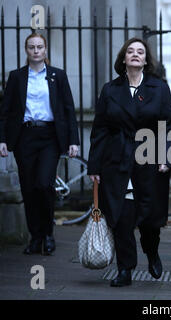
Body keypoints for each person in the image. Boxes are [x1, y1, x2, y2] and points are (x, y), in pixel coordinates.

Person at [87, 38, 171, 287]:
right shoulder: (110, 89)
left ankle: (152, 251)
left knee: (149, 219)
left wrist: (167, 155)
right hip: (117, 159)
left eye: (140, 52)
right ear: (123, 58)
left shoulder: (159, 88)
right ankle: (125, 269)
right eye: (130, 51)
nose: (135, 55)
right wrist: (94, 165)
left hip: (149, 158)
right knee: (121, 218)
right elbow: (100, 129)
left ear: (146, 60)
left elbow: (169, 123)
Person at [0, 33, 80, 255]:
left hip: (49, 137)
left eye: (40, 47)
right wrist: (3, 139)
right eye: (31, 47)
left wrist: (74, 140)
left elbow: (68, 109)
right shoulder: (16, 77)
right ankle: (35, 238)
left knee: (44, 185)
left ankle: (48, 234)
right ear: (26, 50)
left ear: (45, 50)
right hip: (25, 137)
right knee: (28, 188)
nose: (36, 51)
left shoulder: (58, 76)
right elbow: (5, 112)